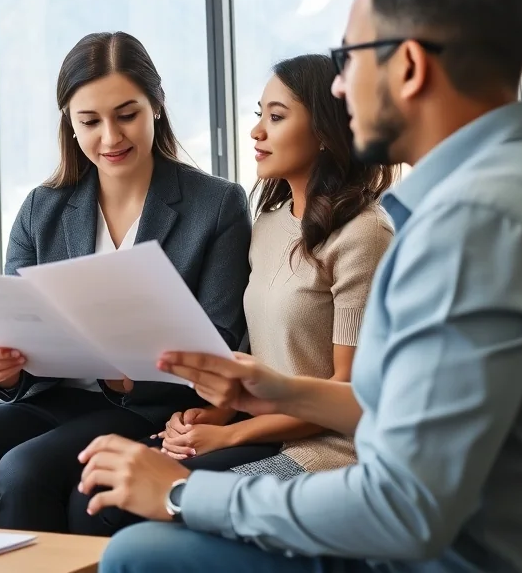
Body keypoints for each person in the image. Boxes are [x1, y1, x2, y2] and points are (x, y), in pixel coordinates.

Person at [82, 0, 522, 573]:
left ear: (411, 67)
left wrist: (180, 491)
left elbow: (404, 507)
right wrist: (277, 387)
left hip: (455, 557)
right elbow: (409, 409)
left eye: (350, 58)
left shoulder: (470, 226)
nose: (338, 88)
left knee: (139, 553)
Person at [0, 31, 251, 532]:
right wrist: (5, 367)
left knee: (24, 472)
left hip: (148, 408)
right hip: (55, 398)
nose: (111, 137)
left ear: (157, 106)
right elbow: (15, 322)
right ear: (70, 123)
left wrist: (136, 367)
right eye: (90, 121)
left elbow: (224, 336)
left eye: (127, 114)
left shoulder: (217, 205)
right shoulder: (43, 207)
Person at [73, 53, 394, 536]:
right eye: (259, 115)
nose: (257, 132)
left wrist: (230, 433)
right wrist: (210, 414)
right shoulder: (268, 224)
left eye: (277, 117)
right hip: (264, 430)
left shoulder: (363, 234)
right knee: (94, 494)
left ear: (325, 131)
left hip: (326, 451)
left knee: (132, 510)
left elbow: (348, 393)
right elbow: (256, 352)